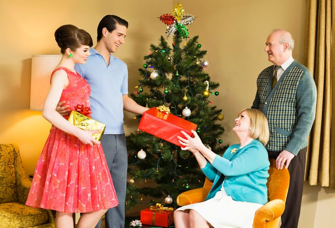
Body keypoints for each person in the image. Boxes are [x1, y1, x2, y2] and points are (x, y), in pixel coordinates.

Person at [57, 15, 148, 228]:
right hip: (93, 135)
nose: (122, 40)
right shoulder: (83, 59)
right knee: (95, 193)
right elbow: (67, 88)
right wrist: (60, 107)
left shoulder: (121, 66)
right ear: (105, 32)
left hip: (118, 134)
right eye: (119, 35)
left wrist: (147, 111)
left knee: (117, 193)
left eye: (124, 36)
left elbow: (123, 98)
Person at [26, 25, 118, 228]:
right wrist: (80, 133)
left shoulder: (72, 72)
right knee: (65, 205)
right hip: (69, 141)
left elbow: (68, 105)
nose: (88, 53)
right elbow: (48, 111)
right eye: (85, 49)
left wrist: (83, 132)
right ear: (70, 50)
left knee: (101, 202)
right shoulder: (61, 73)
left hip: (84, 140)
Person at [251, 29, 317, 228]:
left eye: (269, 45)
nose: (266, 49)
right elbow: (256, 108)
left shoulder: (302, 75)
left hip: (289, 152)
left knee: (288, 205)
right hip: (262, 149)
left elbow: (308, 116)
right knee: (263, 200)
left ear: (285, 46)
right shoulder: (264, 75)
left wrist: (291, 149)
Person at [174, 108, 270, 228]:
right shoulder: (232, 149)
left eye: (242, 117)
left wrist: (201, 147)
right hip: (223, 200)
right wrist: (196, 151)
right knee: (180, 213)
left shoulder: (257, 150)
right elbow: (214, 176)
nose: (236, 119)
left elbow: (230, 169)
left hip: (245, 204)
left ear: (253, 125)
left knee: (196, 213)